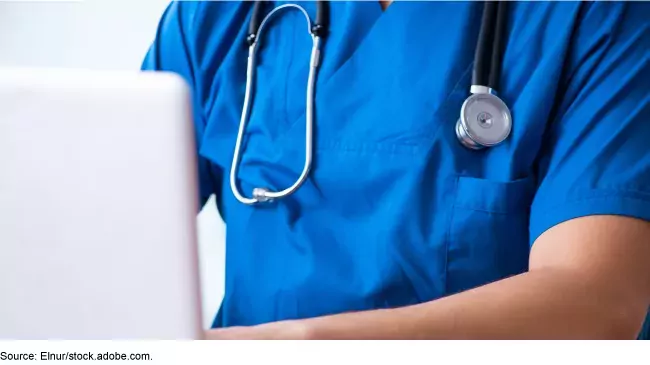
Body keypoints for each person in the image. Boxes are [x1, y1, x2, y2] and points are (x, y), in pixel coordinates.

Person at [142, 1, 650, 339]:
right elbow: (99, 239)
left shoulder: (599, 15)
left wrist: (300, 344)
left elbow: (596, 302)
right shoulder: (220, 14)